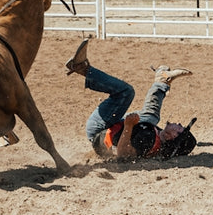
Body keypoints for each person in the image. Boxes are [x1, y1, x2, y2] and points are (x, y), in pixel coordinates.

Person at [65, 38, 197, 160]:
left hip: (99, 131)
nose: (180, 124)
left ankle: (83, 68)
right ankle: (162, 81)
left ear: (172, 137)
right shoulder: (158, 140)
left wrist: (128, 125)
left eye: (181, 129)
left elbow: (123, 155)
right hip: (117, 129)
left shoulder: (147, 139)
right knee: (151, 117)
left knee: (126, 92)